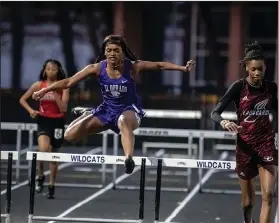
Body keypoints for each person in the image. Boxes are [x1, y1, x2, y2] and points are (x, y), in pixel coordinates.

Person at [32, 35, 195, 174]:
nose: (112, 54)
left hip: (129, 110)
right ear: (104, 52)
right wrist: (44, 91)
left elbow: (160, 65)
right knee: (69, 136)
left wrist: (183, 68)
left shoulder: (132, 67)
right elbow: (68, 82)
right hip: (107, 111)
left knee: (123, 121)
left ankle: (129, 159)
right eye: (109, 50)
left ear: (122, 52)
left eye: (116, 51)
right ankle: (89, 113)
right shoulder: (96, 68)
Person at [211, 41, 278, 223]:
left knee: (269, 194)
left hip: (266, 145)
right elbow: (215, 112)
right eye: (254, 69)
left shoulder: (272, 88)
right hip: (245, 147)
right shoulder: (238, 87)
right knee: (248, 203)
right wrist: (224, 121)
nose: (258, 73)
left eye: (261, 69)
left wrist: (275, 131)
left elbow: (276, 113)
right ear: (246, 68)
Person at [20, 59, 69, 199]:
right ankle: (41, 175)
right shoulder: (39, 85)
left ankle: (52, 185)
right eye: (48, 69)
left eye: (54, 69)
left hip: (58, 122)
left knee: (53, 155)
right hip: (44, 120)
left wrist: (54, 93)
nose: (51, 71)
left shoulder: (63, 86)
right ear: (44, 70)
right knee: (42, 150)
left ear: (58, 70)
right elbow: (22, 99)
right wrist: (31, 111)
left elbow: (64, 108)